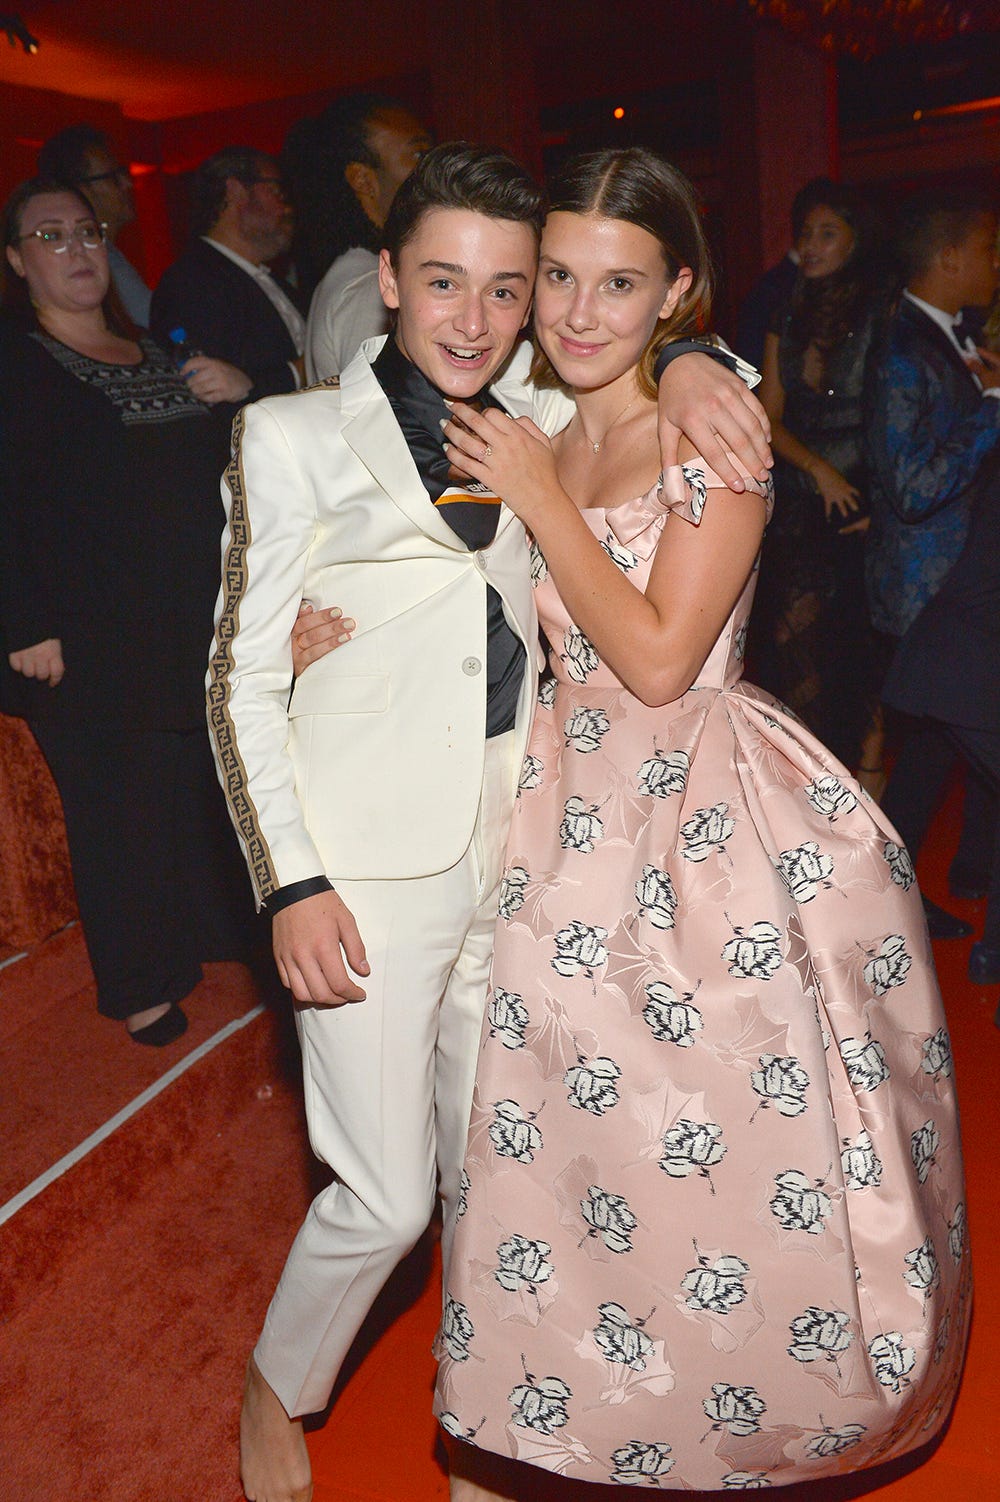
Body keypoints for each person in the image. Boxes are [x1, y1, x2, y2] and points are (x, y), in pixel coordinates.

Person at [205, 142, 772, 1502]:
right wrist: (290, 884)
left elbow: (639, 356)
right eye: (444, 280)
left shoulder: (536, 406)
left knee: (500, 1181)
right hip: (364, 870)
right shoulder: (290, 435)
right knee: (389, 1194)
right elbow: (236, 672)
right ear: (386, 279)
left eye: (505, 289)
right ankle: (279, 1378)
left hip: (528, 849)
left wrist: (707, 362)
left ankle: (499, 1422)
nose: (475, 317)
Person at [431, 147, 969, 1498]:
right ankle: (547, 1419)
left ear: (680, 288)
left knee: (711, 1151)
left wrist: (602, 455)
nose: (578, 309)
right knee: (555, 1141)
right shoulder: (534, 408)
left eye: (622, 283)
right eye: (558, 274)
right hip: (553, 799)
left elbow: (666, 658)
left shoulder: (708, 432)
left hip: (695, 820)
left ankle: (724, 1423)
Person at [0, 178, 254, 1042]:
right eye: (50, 236)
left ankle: (204, 934)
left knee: (191, 789)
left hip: (188, 618)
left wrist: (239, 392)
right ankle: (138, 983)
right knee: (117, 811)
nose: (76, 249)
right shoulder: (15, 364)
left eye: (88, 232)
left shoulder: (151, 348)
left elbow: (215, 475)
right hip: (82, 639)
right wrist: (21, 624)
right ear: (16, 260)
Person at [867, 189, 1000, 945]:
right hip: (932, 600)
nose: (993, 265)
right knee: (926, 766)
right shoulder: (901, 348)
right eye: (986, 250)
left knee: (932, 765)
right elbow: (912, 489)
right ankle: (883, 908)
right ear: (950, 259)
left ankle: (913, 899)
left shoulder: (951, 337)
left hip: (962, 597)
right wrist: (992, 407)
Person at [756, 179, 884, 780]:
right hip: (801, 502)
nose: (811, 244)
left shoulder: (882, 311)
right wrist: (818, 470)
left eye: (827, 232)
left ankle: (868, 785)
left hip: (863, 499)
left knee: (858, 653)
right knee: (794, 647)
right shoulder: (786, 311)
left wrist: (868, 496)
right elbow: (768, 418)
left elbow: (893, 420)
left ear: (856, 239)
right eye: (804, 232)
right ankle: (817, 787)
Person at [284, 91, 431, 377]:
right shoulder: (370, 290)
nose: (433, 168)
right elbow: (387, 415)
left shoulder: (355, 276)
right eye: (419, 155)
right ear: (363, 179)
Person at [150, 148, 304, 417]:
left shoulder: (277, 282)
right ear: (235, 191)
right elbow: (212, 397)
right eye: (276, 190)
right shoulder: (192, 283)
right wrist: (302, 370)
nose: (286, 206)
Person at [37, 123, 152, 327]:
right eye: (113, 178)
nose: (128, 184)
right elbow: (152, 326)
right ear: (82, 190)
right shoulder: (84, 263)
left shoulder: (111, 255)